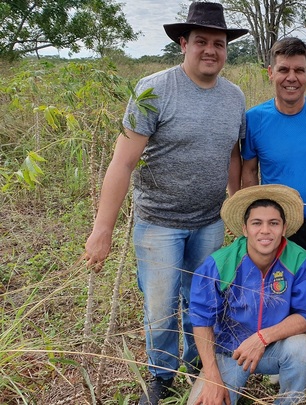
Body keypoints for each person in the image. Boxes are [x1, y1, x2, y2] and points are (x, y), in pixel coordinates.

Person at [82, 3, 248, 403]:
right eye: (202, 42)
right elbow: (123, 162)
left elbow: (233, 158)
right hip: (157, 221)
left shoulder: (235, 97)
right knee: (160, 306)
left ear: (227, 49)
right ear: (182, 44)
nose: (211, 50)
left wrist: (238, 213)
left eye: (219, 43)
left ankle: (197, 366)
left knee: (201, 300)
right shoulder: (154, 89)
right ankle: (161, 374)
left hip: (209, 221)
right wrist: (101, 229)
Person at [187, 184, 306, 405]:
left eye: (273, 223)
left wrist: (262, 338)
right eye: (257, 223)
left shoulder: (300, 260)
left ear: (284, 228)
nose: (265, 231)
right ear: (245, 228)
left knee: (303, 349)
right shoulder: (220, 264)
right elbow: (201, 319)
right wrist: (212, 377)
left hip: (276, 346)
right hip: (231, 351)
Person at [241, 37, 306, 261]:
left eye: (299, 70)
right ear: (270, 72)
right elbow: (249, 170)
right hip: (276, 227)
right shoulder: (254, 119)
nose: (291, 78)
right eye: (283, 69)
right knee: (277, 292)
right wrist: (251, 217)